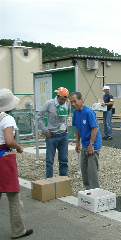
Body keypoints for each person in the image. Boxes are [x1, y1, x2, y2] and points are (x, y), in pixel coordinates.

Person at [0, 88, 33, 239]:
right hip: (4, 158)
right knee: (13, 196)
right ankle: (18, 230)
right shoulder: (7, 119)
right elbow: (9, 141)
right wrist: (19, 147)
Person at [71, 92, 102, 190]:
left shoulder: (89, 112)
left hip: (93, 144)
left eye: (74, 101)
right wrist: (77, 143)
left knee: (92, 170)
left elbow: (95, 129)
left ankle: (95, 191)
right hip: (85, 144)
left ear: (81, 100)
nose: (72, 104)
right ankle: (88, 191)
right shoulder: (75, 113)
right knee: (84, 169)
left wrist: (91, 145)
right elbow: (78, 128)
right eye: (71, 102)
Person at [38, 87, 70, 178]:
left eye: (65, 99)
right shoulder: (49, 103)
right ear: (58, 96)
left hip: (63, 135)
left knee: (64, 160)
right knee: (49, 161)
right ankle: (49, 182)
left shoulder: (67, 104)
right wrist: (45, 130)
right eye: (61, 99)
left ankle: (63, 180)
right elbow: (39, 117)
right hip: (51, 135)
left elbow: (68, 116)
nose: (63, 101)